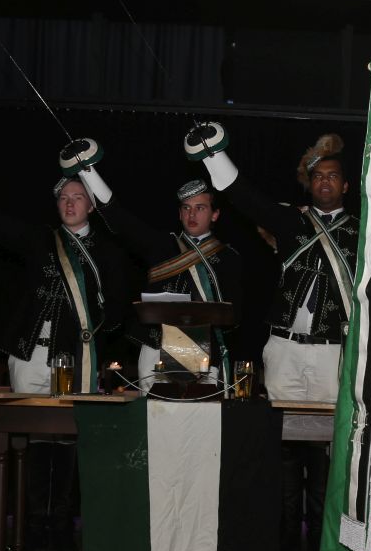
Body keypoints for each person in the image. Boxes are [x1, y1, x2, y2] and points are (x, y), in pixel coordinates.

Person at [0, 137, 139, 551]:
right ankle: (30, 525)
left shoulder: (109, 252)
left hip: (75, 359)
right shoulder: (39, 239)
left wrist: (96, 333)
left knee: (66, 439)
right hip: (29, 355)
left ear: (92, 204)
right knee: (32, 437)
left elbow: (118, 311)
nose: (69, 203)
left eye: (77, 197)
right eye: (63, 198)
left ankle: (60, 526)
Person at [183, 122, 359, 551]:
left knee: (326, 444)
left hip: (332, 352)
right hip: (283, 348)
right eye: (318, 176)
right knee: (282, 441)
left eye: (333, 176)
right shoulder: (289, 221)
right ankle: (283, 534)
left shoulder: (365, 232)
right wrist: (212, 154)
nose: (324, 182)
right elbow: (242, 195)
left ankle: (322, 537)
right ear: (309, 184)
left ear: (345, 185)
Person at [56, 141, 241, 394]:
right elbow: (118, 217)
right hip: (156, 347)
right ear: (179, 214)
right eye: (186, 208)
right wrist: (87, 170)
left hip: (202, 349)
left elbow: (234, 315)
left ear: (215, 214)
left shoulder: (228, 257)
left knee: (197, 416)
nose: (192, 215)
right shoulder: (162, 246)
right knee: (153, 415)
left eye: (200, 208)